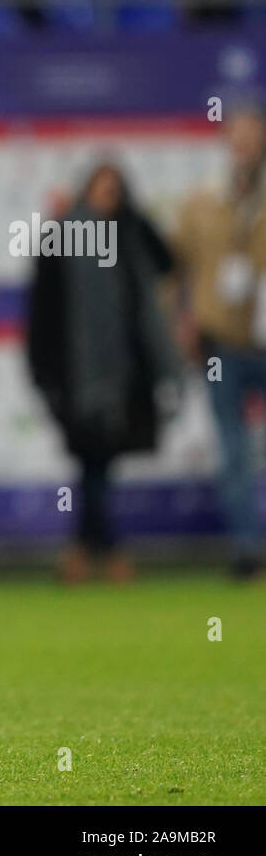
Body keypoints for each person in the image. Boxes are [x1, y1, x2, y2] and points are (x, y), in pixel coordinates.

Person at [27, 162, 179, 583]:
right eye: (101, 189)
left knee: (100, 465)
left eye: (116, 191)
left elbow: (166, 259)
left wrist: (133, 214)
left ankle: (83, 552)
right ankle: (104, 553)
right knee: (93, 462)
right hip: (74, 378)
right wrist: (44, 375)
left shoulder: (129, 238)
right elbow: (41, 315)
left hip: (124, 377)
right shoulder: (60, 239)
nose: (108, 198)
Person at [173, 104, 266, 580]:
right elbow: (175, 268)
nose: (246, 147)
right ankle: (247, 551)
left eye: (255, 137)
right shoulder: (203, 201)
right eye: (239, 138)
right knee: (233, 452)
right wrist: (180, 321)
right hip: (223, 343)